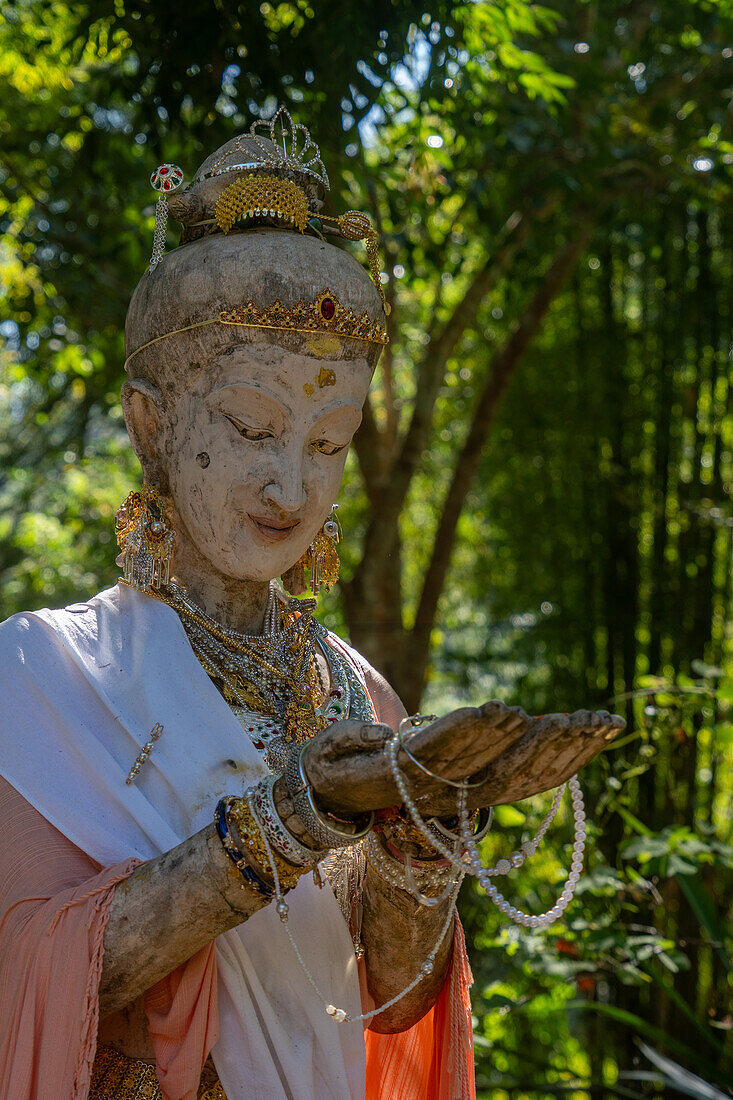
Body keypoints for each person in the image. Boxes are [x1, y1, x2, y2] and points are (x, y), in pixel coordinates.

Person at [0, 109, 622, 1100]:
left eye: (328, 441)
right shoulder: (40, 676)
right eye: (252, 425)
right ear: (151, 424)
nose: (291, 485)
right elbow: (27, 972)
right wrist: (286, 823)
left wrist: (424, 838)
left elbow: (385, 1003)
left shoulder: (353, 688)